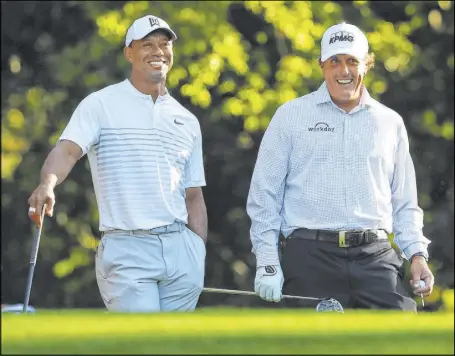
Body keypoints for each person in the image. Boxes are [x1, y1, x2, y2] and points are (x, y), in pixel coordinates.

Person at [246, 22, 434, 311]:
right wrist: (268, 262)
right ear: (322, 65)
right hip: (310, 255)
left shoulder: (390, 122)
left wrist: (418, 255)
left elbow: (405, 203)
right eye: (335, 61)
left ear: (367, 65)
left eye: (352, 61)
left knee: (399, 339)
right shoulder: (290, 116)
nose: (343, 71)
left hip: (375, 256)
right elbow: (264, 198)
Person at [27, 15, 208, 313]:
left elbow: (193, 196)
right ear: (128, 52)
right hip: (127, 249)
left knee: (174, 345)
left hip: (181, 252)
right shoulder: (101, 104)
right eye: (147, 44)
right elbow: (68, 151)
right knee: (142, 342)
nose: (158, 51)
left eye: (164, 44)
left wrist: (197, 251)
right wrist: (48, 183)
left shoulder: (187, 120)